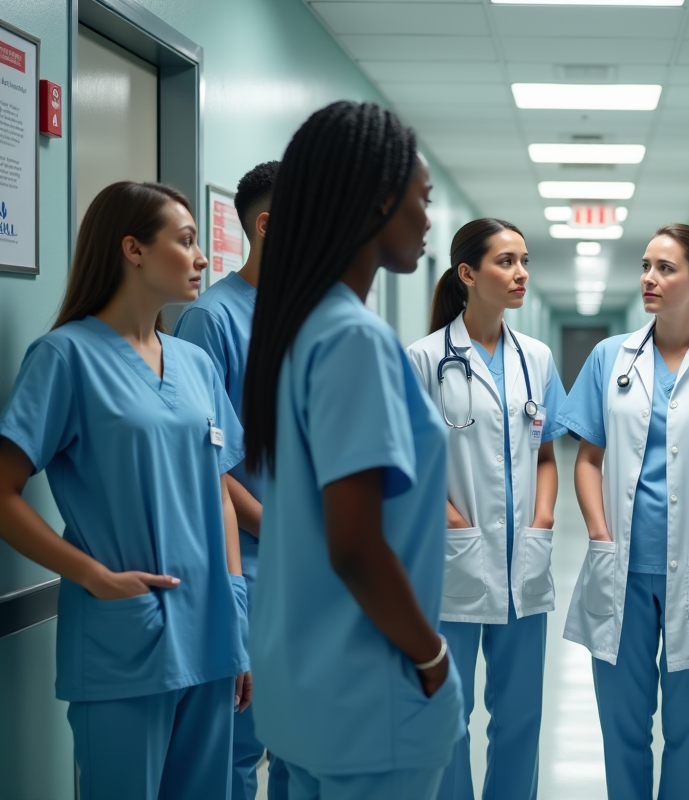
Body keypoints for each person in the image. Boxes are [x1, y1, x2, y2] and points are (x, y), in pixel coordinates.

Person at [242, 101, 464, 800]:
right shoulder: (354, 340)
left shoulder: (299, 329)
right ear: (376, 202)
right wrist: (430, 658)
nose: (429, 220)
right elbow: (354, 545)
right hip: (374, 696)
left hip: (307, 696)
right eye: (421, 200)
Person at [0, 181, 250, 800]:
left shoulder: (195, 365)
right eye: (186, 242)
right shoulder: (64, 357)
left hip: (212, 633)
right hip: (124, 639)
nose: (201, 259)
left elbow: (220, 494)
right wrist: (93, 577)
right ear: (133, 250)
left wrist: (237, 610)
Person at [558, 224, 689, 800]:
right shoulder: (608, 358)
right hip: (619, 564)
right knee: (622, 729)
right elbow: (588, 458)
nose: (649, 278)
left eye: (664, 268)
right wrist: (598, 532)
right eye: (645, 266)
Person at [407, 218, 568, 800]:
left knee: (521, 717)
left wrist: (544, 517)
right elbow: (406, 467)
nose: (521, 273)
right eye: (506, 261)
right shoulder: (424, 360)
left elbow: (547, 453)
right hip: (452, 563)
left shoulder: (538, 358)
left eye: (524, 260)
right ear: (467, 274)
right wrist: (451, 520)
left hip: (523, 562)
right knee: (450, 717)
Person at [174, 159, 290, 800]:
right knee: (240, 750)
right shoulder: (212, 321)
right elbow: (204, 463)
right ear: (269, 226)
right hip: (248, 564)